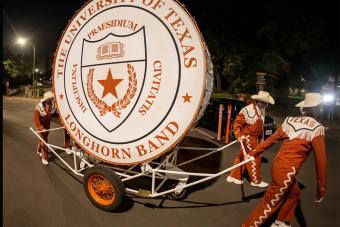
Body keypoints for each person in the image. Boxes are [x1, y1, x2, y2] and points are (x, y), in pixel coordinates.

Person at [243, 93, 327, 227]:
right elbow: (321, 162)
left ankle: (281, 221)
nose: (322, 110)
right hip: (286, 174)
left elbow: (270, 140)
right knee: (267, 206)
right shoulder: (317, 128)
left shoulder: (290, 121)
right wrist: (321, 188)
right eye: (321, 107)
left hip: (277, 166)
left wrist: (253, 153)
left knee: (294, 193)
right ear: (317, 109)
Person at [226, 91, 275, 188]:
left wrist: (262, 139)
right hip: (248, 138)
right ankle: (255, 180)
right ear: (258, 101)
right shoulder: (247, 110)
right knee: (255, 158)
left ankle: (234, 176)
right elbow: (237, 124)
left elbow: (261, 127)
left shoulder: (261, 110)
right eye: (264, 102)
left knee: (242, 158)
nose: (266, 105)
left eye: (266, 103)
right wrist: (239, 135)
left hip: (255, 138)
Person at [34, 91, 71, 165]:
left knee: (43, 138)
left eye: (51, 99)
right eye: (49, 99)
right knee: (44, 140)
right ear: (45, 100)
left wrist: (62, 122)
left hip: (48, 125)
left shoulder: (53, 106)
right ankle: (44, 157)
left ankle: (39, 148)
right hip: (41, 125)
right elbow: (36, 120)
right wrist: (41, 128)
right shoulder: (39, 107)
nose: (51, 100)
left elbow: (56, 115)